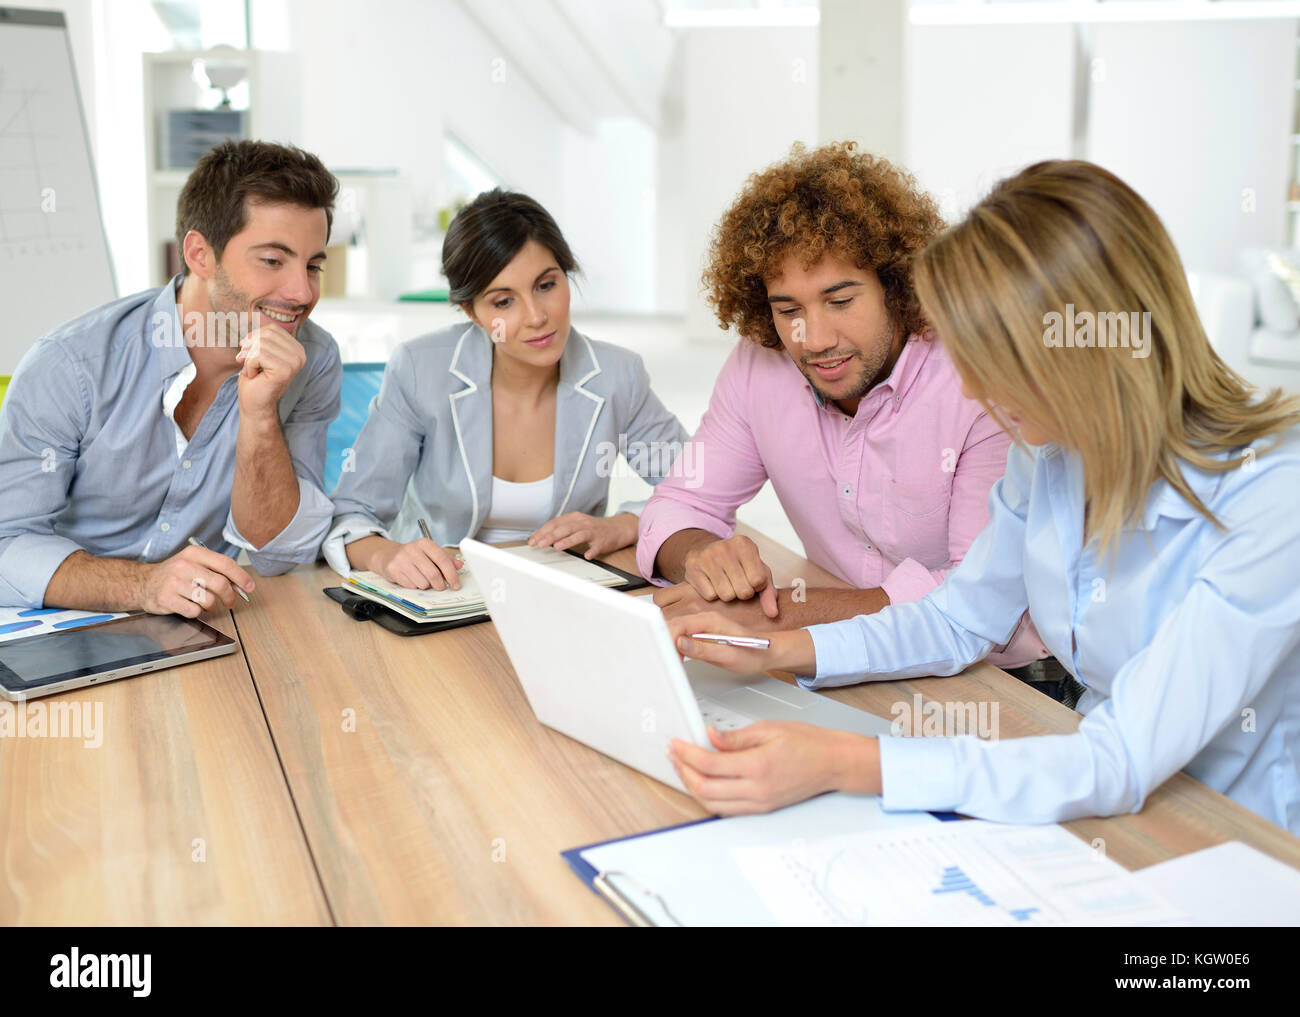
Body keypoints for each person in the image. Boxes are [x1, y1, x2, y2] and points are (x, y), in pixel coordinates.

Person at [664, 159, 1300, 836]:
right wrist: (773, 648)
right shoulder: (1051, 451)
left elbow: (1120, 756)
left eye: (996, 360)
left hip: (1234, 838)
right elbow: (960, 618)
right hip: (1087, 802)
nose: (971, 393)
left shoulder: (1271, 499)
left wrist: (853, 762)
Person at [639, 141, 1045, 672]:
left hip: (1001, 682)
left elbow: (978, 603)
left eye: (840, 301)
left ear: (895, 285)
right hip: (837, 657)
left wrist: (783, 615)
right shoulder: (759, 365)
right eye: (788, 310)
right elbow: (680, 504)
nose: (814, 338)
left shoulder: (974, 378)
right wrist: (700, 555)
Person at [0, 140, 342, 616]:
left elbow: (278, 552)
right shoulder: (71, 365)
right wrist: (142, 587)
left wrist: (260, 414)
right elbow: (5, 545)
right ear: (200, 254)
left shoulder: (314, 360)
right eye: (272, 261)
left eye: (313, 265)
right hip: (62, 626)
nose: (301, 292)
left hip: (203, 627)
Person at [324, 189, 689, 589]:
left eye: (546, 285)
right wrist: (387, 553)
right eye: (503, 302)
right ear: (472, 312)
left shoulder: (619, 374)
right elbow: (353, 511)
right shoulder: (420, 370)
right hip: (445, 595)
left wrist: (624, 524)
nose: (536, 317)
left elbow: (699, 481)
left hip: (563, 593)